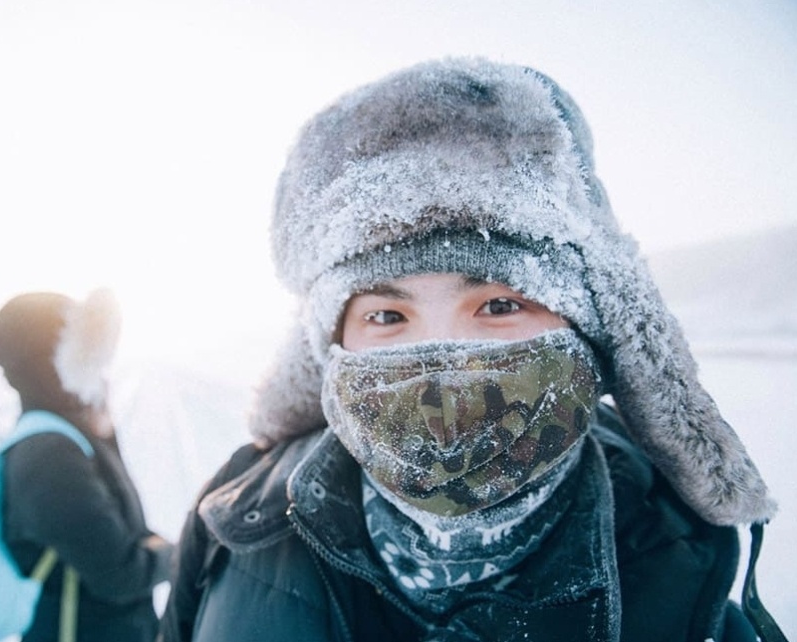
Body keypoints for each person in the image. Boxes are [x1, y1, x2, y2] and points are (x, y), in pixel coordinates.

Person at [159, 58, 782, 641]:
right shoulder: (233, 519)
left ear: (592, 331)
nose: (442, 357)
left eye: (500, 305)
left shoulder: (683, 586)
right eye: (386, 314)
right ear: (329, 348)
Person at [0, 288, 173, 642]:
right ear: (52, 360)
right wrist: (177, 553)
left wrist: (101, 428)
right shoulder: (49, 455)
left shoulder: (68, 434)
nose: (100, 370)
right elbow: (120, 575)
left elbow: (125, 528)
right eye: (86, 352)